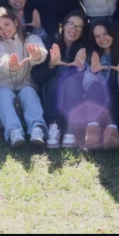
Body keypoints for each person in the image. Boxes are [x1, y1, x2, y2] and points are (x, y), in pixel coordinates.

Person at [0, 8, 48, 146]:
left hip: (25, 98)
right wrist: (10, 65)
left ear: (16, 22)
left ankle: (37, 130)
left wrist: (36, 55)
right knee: (4, 92)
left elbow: (41, 52)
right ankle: (14, 132)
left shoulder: (30, 38)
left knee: (28, 91)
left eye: (7, 24)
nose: (4, 30)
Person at [82, 20, 119, 149]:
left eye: (105, 34)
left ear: (113, 34)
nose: (102, 39)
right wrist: (94, 72)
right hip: (95, 109)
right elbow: (87, 89)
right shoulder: (91, 57)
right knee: (96, 86)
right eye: (97, 36)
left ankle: (112, 133)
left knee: (111, 91)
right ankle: (93, 131)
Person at [41, 10, 88, 148]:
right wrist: (51, 65)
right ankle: (53, 125)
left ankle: (70, 127)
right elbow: (36, 75)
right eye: (71, 25)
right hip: (51, 92)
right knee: (60, 76)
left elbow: (87, 81)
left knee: (71, 79)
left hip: (74, 94)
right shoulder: (49, 41)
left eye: (79, 27)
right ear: (63, 25)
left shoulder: (83, 49)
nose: (74, 30)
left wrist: (80, 69)